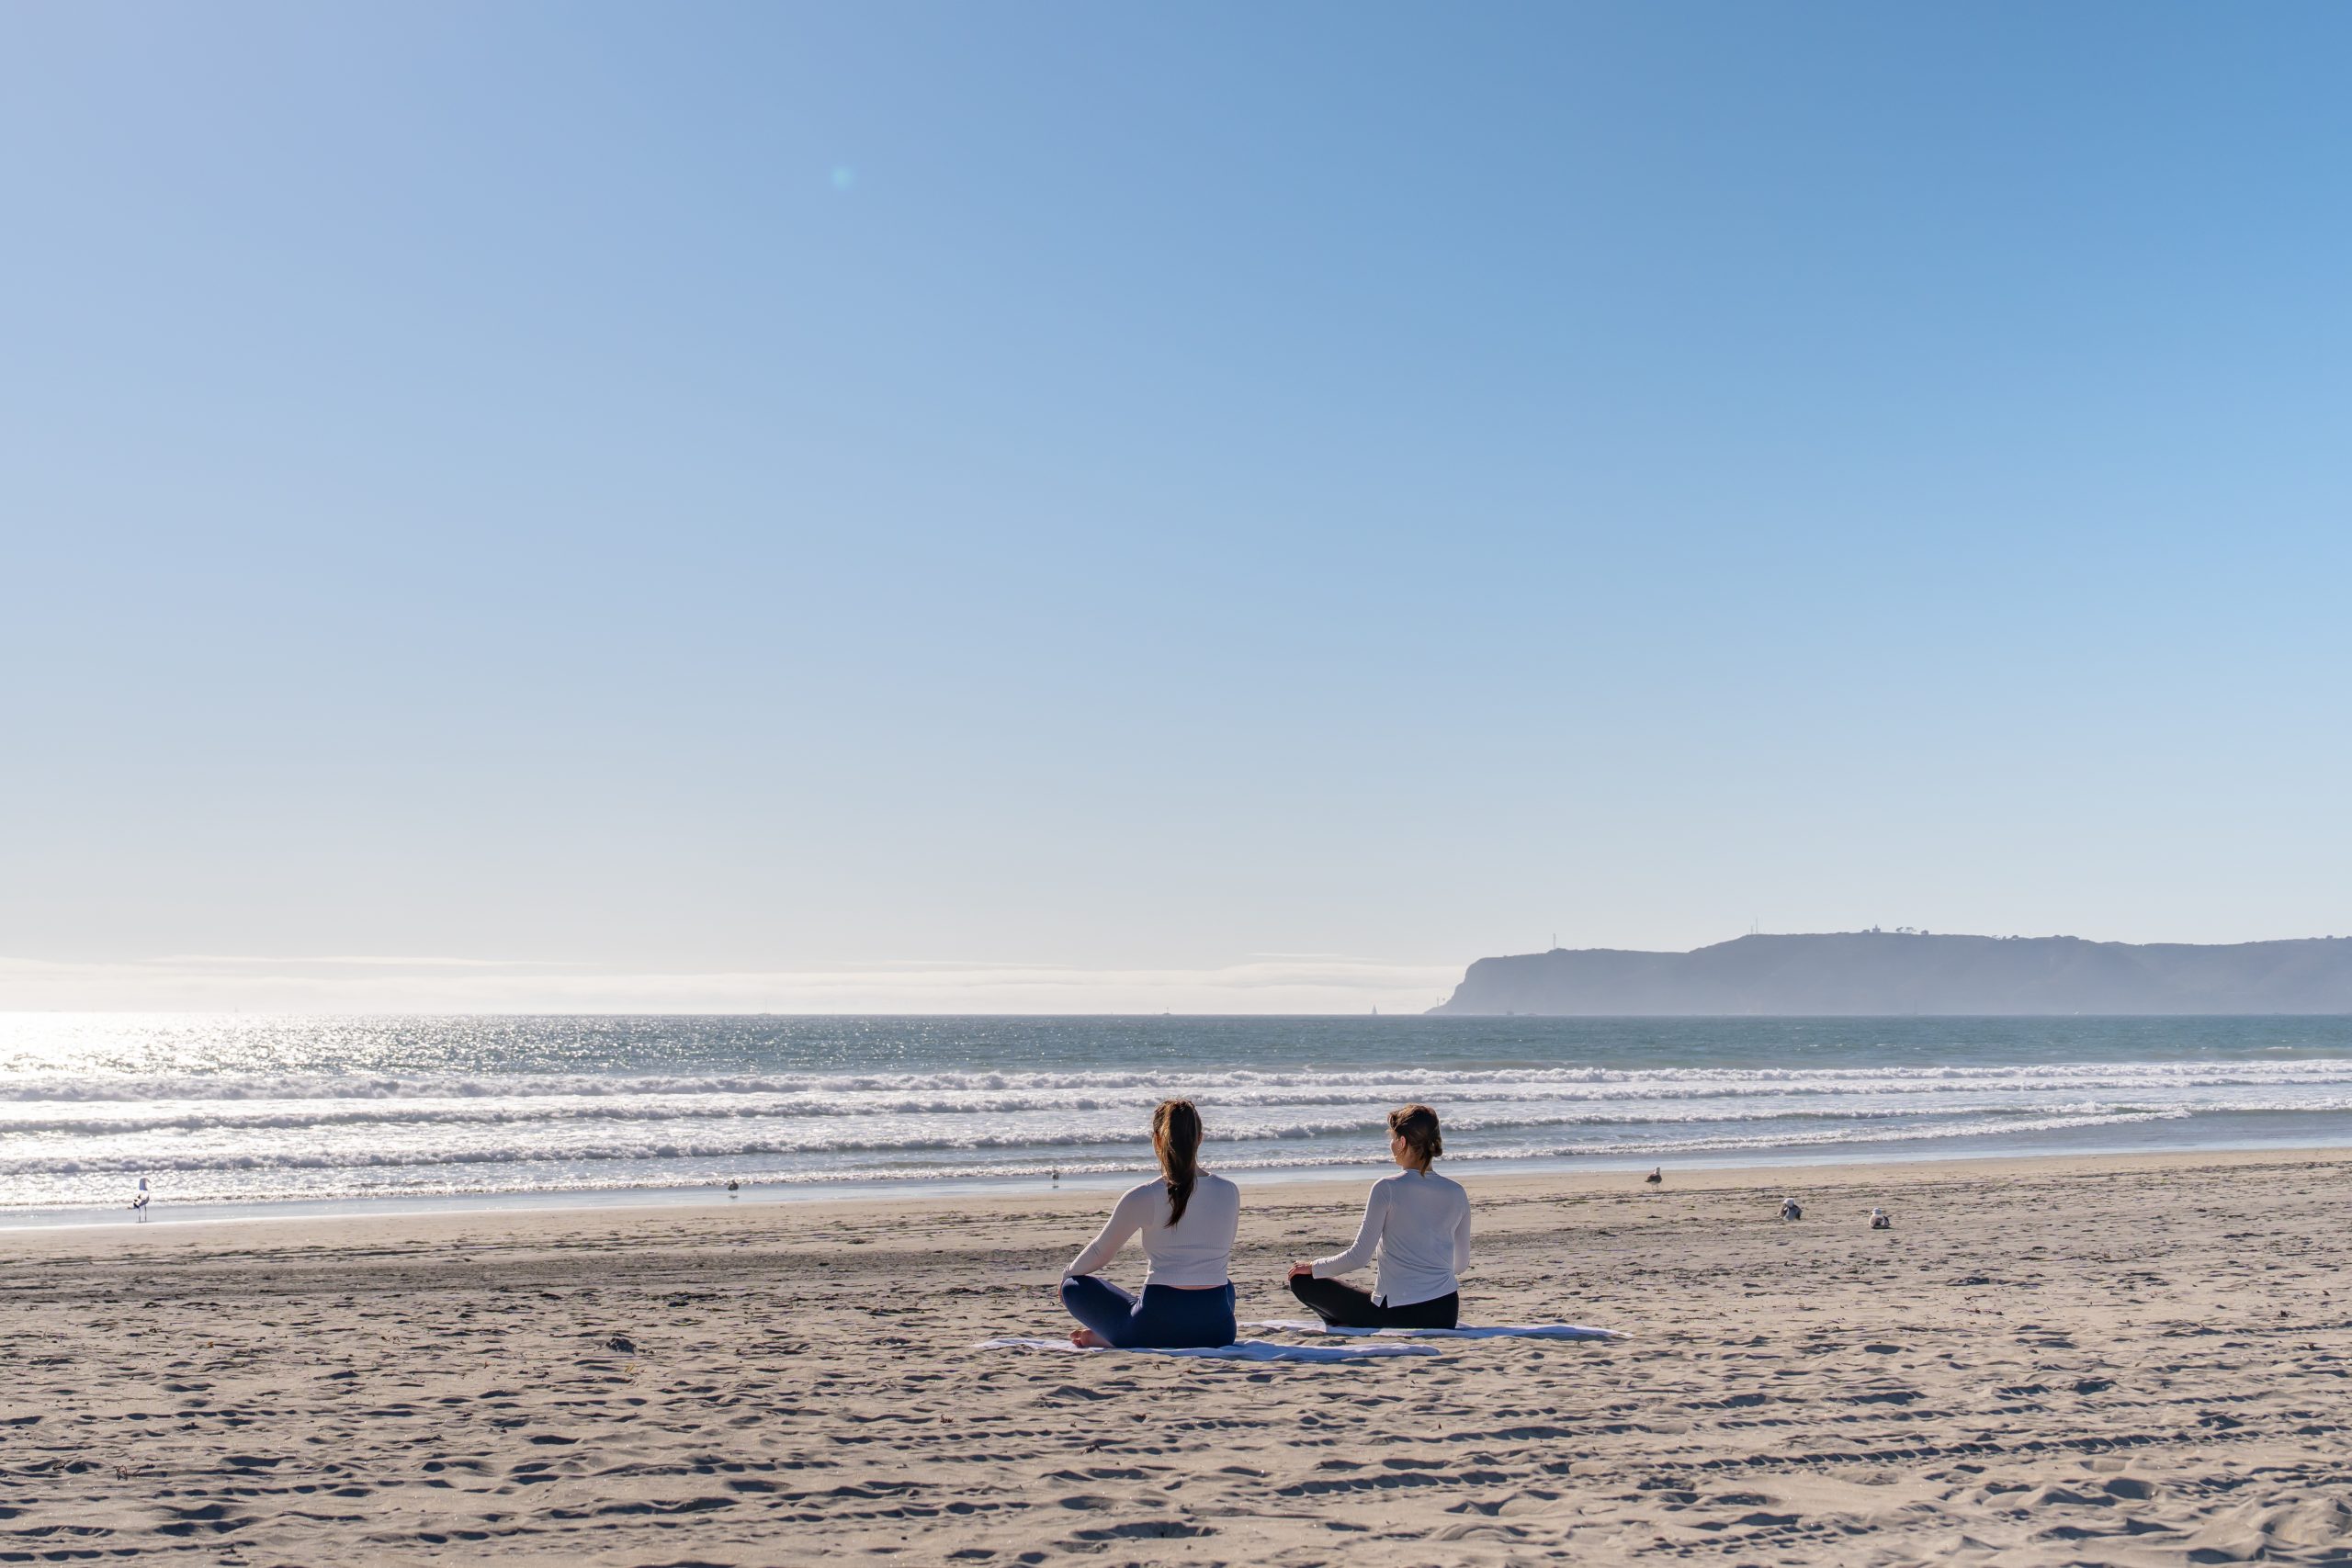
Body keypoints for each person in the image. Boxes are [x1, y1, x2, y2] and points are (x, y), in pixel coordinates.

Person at [1059, 1100, 1238, 1348]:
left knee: (1073, 1287)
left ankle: (1112, 1336)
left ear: (1157, 1139)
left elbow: (1101, 1252)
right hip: (1219, 1331)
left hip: (1153, 1328)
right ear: (1200, 1138)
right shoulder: (1229, 1191)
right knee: (1225, 1286)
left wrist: (1067, 1275)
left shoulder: (1144, 1195)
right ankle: (1114, 1333)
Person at [1287, 1103, 1470, 1330]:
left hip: (1399, 1313)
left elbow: (1358, 1257)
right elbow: (1460, 1265)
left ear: (1402, 1142)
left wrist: (1313, 1266)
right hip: (1445, 1312)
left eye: (1393, 1138)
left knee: (1301, 1281)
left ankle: (1347, 1322)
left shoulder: (1387, 1188)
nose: (1391, 1145)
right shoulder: (1456, 1192)